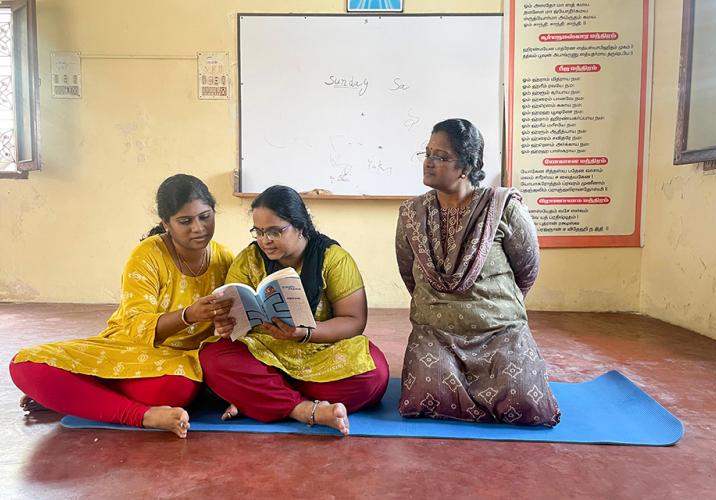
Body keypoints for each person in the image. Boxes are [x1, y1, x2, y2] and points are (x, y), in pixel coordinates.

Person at [9, 174, 235, 437]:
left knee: (174, 389)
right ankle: (142, 416)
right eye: (185, 221)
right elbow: (137, 326)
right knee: (24, 364)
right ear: (166, 223)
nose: (198, 228)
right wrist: (188, 315)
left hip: (178, 364)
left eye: (205, 216)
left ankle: (77, 394)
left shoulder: (225, 259)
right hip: (127, 347)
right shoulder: (148, 255)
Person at [395, 119, 561, 426]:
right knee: (425, 394)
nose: (428, 162)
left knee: (525, 402)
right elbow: (410, 274)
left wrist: (492, 309)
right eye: (427, 153)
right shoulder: (411, 214)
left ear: (467, 166)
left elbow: (527, 269)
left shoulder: (503, 207)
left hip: (499, 331)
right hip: (436, 332)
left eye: (440, 156)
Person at [201, 185, 389, 435]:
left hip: (320, 351)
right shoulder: (249, 259)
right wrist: (227, 325)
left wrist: (305, 333)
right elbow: (234, 318)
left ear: (300, 227)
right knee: (213, 358)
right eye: (258, 231)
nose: (264, 240)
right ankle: (303, 409)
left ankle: (260, 397)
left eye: (275, 231)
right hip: (266, 351)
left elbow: (354, 321)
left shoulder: (333, 259)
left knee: (375, 375)